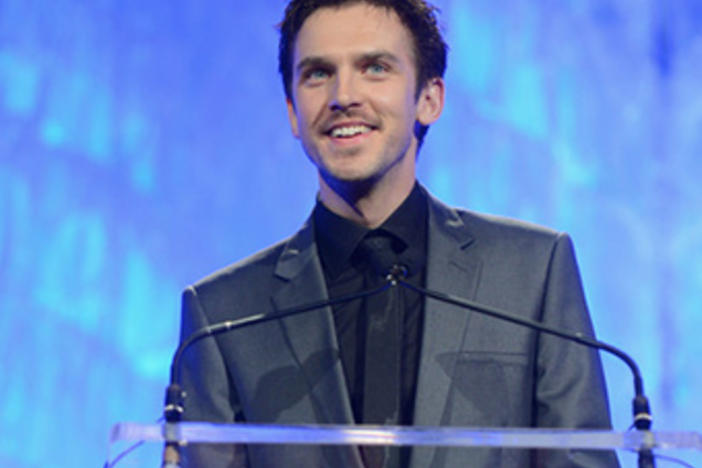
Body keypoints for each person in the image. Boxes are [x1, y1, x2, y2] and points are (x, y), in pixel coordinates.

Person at [177, 1, 620, 467]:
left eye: (374, 67)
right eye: (317, 73)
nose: (342, 95)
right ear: (292, 111)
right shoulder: (222, 315)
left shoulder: (532, 272)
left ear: (429, 98)